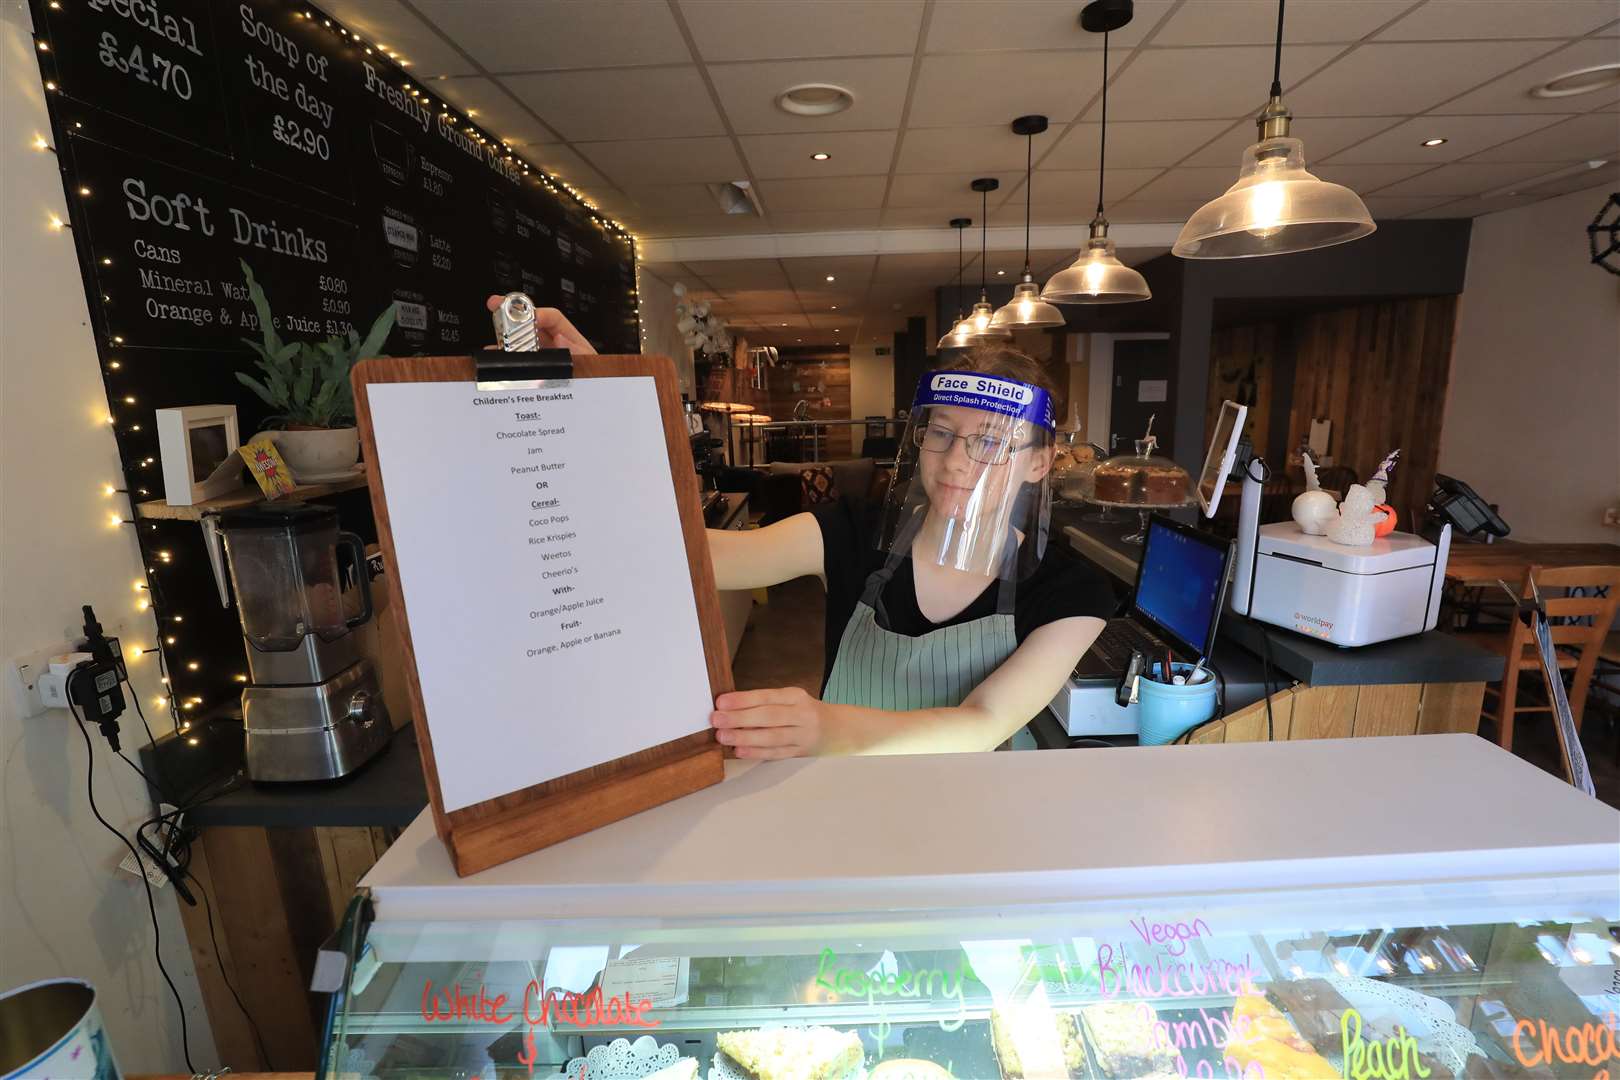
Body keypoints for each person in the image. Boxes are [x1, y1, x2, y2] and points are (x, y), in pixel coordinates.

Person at [483, 297, 1114, 759]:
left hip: (981, 826)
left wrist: (824, 727)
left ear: (1038, 463)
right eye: (942, 432)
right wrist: (600, 398)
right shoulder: (854, 533)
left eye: (988, 443)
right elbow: (699, 557)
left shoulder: (1071, 591)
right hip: (840, 808)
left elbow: (982, 722)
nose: (954, 459)